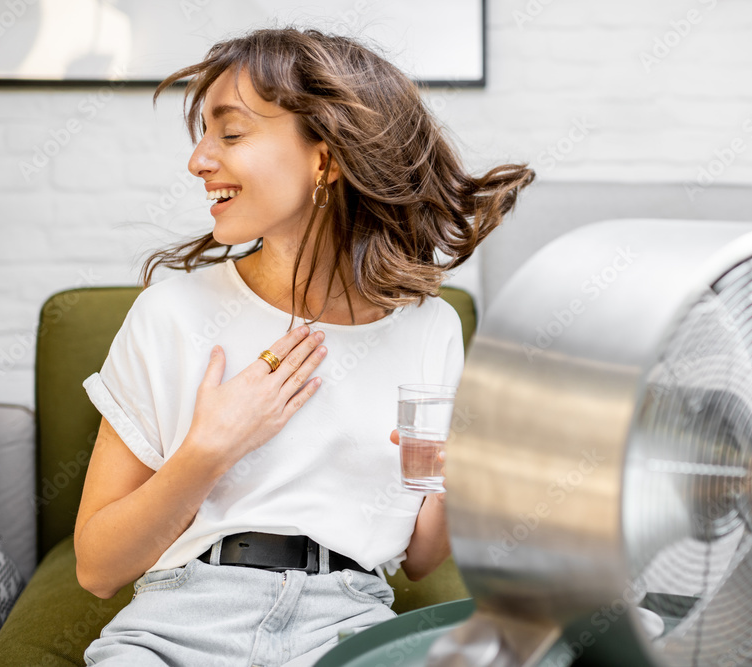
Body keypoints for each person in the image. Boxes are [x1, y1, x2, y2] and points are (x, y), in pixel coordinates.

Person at [73, 27, 534, 666]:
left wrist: (467, 477)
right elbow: (97, 568)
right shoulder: (171, 313)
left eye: (230, 134)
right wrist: (209, 448)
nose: (199, 159)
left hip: (345, 630)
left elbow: (422, 556)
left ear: (326, 159)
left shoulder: (429, 330)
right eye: (203, 134)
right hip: (177, 628)